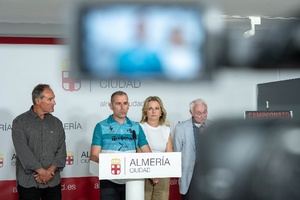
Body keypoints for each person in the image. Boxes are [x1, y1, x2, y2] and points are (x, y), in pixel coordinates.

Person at [90, 90, 151, 200]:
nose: (122, 107)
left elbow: (147, 153)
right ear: (110, 106)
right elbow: (94, 155)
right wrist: (107, 164)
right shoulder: (101, 126)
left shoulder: (136, 126)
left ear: (129, 105)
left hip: (133, 180)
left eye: (125, 103)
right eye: (118, 103)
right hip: (109, 180)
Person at [12, 84, 66, 200]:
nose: (54, 102)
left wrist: (49, 172)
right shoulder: (19, 122)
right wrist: (41, 172)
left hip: (53, 181)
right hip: (29, 182)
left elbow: (61, 151)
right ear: (37, 101)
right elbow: (23, 152)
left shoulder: (57, 123)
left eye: (53, 99)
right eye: (50, 99)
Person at [173, 98, 208, 200]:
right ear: (191, 112)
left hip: (207, 175)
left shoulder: (213, 126)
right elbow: (177, 152)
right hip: (189, 175)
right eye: (198, 113)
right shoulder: (181, 128)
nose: (202, 115)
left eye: (205, 112)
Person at [140, 96, 173, 200]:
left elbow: (169, 154)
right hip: (143, 172)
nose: (153, 111)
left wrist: (159, 173)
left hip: (162, 173)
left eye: (157, 108)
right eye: (150, 108)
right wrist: (151, 173)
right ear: (145, 112)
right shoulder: (139, 127)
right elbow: (138, 151)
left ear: (161, 112)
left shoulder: (166, 130)